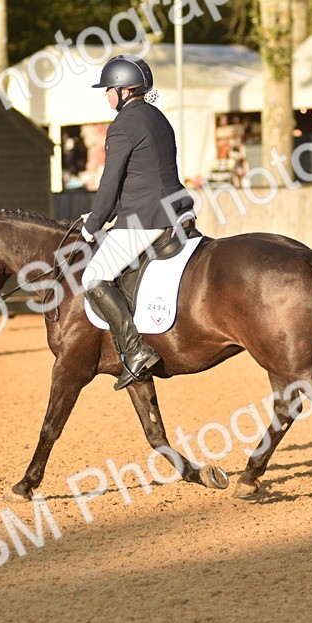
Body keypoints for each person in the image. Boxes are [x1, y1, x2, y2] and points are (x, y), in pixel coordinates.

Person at [79, 53, 194, 390]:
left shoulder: (123, 125)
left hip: (146, 219)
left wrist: (93, 224)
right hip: (176, 210)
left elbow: (110, 181)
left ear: (123, 90)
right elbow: (144, 175)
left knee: (93, 276)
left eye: (108, 89)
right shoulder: (157, 117)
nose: (105, 95)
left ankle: (135, 350)